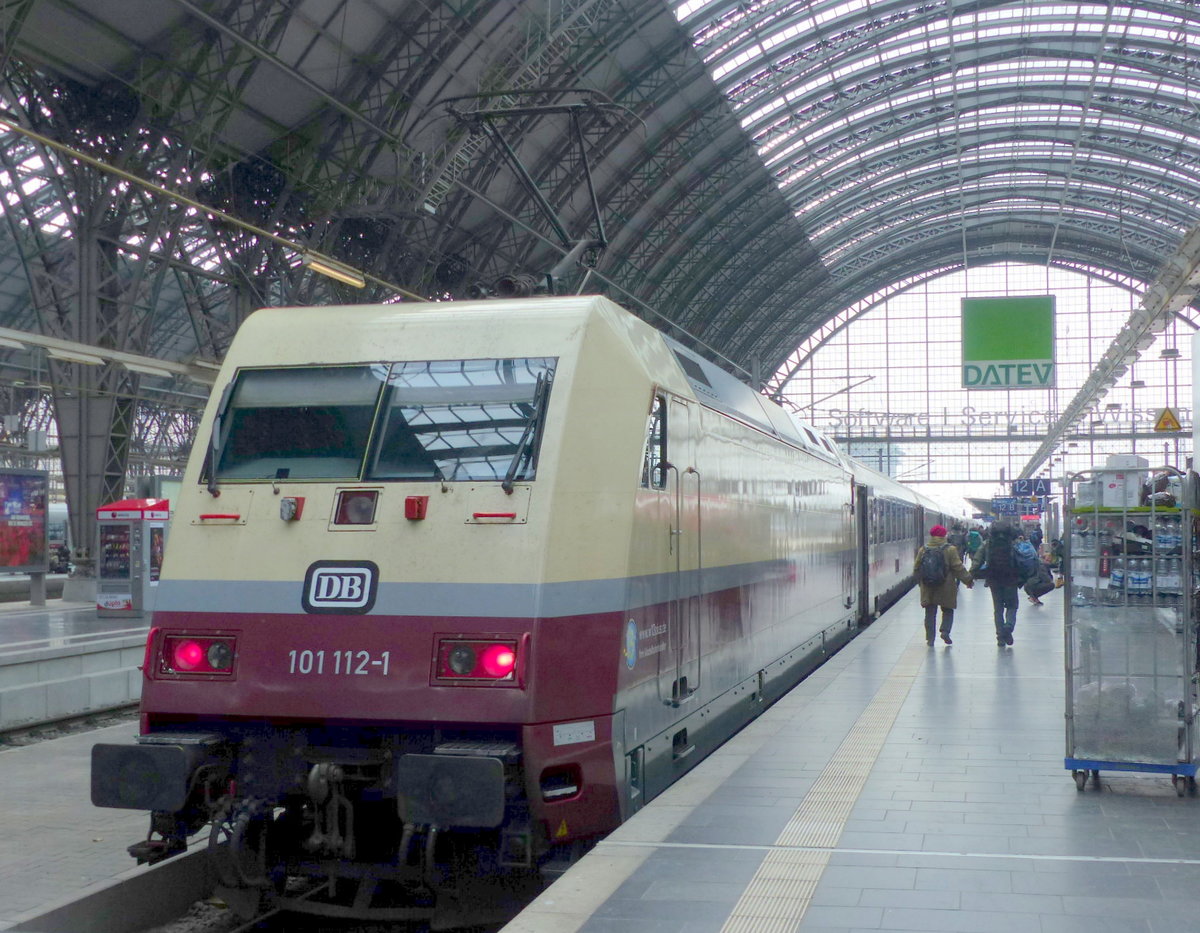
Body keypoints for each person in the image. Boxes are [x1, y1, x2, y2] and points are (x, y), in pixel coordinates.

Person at [914, 524, 973, 646]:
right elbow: (958, 567)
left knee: (930, 613)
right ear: (944, 535)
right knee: (947, 609)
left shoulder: (923, 549)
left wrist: (921, 583)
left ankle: (930, 638)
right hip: (946, 585)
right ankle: (945, 631)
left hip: (928, 586)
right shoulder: (950, 549)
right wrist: (968, 580)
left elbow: (916, 568)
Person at [973, 521, 1022, 646]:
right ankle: (1008, 627)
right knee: (1012, 606)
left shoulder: (987, 544)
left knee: (998, 608)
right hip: (1011, 579)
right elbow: (1025, 559)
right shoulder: (1015, 544)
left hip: (994, 579)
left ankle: (1000, 636)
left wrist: (969, 576)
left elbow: (977, 561)